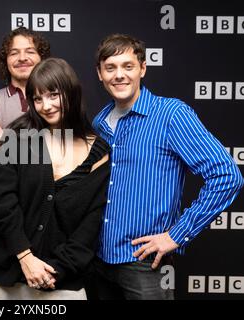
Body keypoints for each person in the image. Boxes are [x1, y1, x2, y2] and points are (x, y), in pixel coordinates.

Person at [92, 33, 244, 300]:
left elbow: (227, 176)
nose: (119, 75)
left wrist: (177, 235)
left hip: (144, 264)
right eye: (110, 68)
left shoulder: (170, 115)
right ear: (100, 74)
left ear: (142, 68)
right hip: (98, 260)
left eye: (128, 66)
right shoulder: (100, 121)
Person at [0, 58, 110, 300]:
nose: (46, 105)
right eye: (37, 99)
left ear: (71, 92)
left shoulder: (100, 151)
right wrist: (25, 257)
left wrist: (55, 271)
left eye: (53, 95)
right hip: (7, 275)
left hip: (62, 282)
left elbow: (91, 223)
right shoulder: (17, 136)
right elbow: (2, 203)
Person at [0, 27, 51, 141]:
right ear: (5, 60)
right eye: (14, 53)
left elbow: (60, 143)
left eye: (30, 52)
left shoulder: (56, 99)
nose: (22, 58)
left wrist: (4, 136)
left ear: (41, 58)